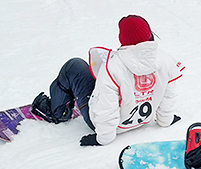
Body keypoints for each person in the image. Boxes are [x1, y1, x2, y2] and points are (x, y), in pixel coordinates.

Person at [31, 15, 184, 146]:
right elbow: (168, 95)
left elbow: (106, 109)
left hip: (112, 127)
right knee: (107, 81)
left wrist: (103, 138)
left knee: (74, 66)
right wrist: (165, 120)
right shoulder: (166, 60)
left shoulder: (113, 66)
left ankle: (57, 112)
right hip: (142, 119)